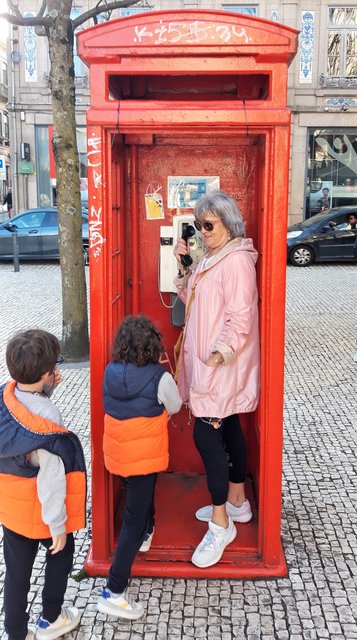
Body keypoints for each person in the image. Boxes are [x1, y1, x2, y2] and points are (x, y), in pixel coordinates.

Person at [173, 190, 260, 569]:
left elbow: (241, 315)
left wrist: (220, 352)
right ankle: (237, 503)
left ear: (229, 224)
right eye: (199, 225)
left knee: (206, 434)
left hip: (220, 365)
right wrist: (185, 264)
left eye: (209, 225)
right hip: (209, 362)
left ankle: (221, 522)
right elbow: (191, 299)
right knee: (230, 428)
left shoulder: (237, 261)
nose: (203, 232)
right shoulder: (212, 257)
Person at [0, 329, 87, 640]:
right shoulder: (49, 416)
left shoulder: (6, 394)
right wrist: (58, 525)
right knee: (61, 555)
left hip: (11, 508)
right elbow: (50, 478)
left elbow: (25, 423)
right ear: (47, 373)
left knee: (17, 574)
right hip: (39, 511)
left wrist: (45, 390)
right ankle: (50, 618)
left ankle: (14, 632)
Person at [97, 315, 182, 620]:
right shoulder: (160, 377)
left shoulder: (110, 370)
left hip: (118, 455)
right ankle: (114, 590)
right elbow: (175, 405)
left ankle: (147, 529)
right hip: (145, 456)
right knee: (132, 520)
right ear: (153, 345)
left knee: (139, 495)